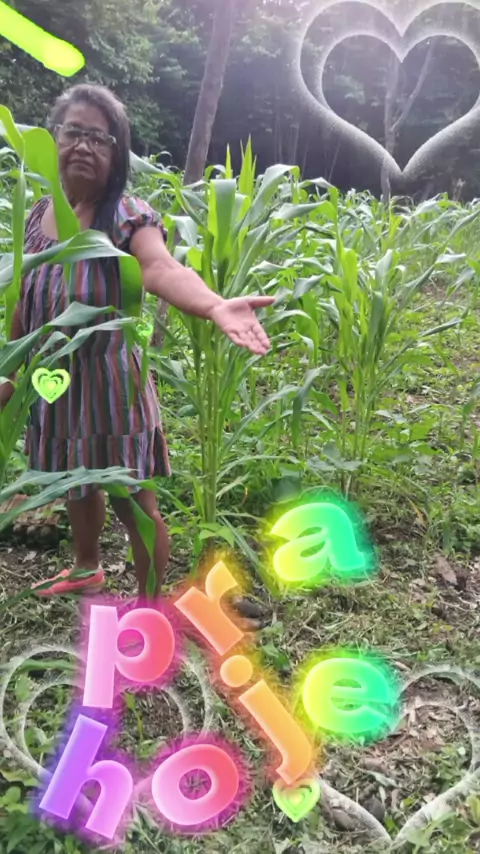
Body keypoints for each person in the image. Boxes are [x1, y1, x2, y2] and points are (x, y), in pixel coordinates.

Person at [0, 84, 274, 600]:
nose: (83, 146)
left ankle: (149, 604)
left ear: (117, 153)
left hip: (111, 387)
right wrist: (9, 370)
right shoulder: (38, 215)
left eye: (99, 138)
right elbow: (24, 300)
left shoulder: (128, 216)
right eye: (73, 132)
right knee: (73, 481)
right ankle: (87, 567)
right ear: (54, 139)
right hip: (54, 382)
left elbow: (160, 267)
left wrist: (214, 304)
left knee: (133, 503)